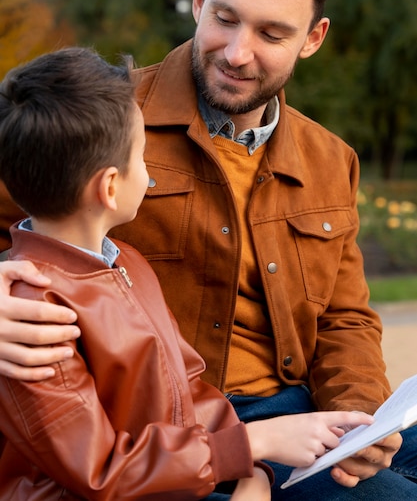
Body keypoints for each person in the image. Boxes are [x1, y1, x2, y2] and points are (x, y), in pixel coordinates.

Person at [0, 0, 417, 499]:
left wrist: (359, 420)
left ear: (313, 39)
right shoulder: (103, 121)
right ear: (199, 1)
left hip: (286, 413)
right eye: (224, 19)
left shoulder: (331, 159)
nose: (238, 53)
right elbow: (33, 221)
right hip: (178, 435)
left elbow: (344, 318)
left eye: (272, 35)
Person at [0, 47, 374, 500]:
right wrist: (256, 443)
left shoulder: (127, 263)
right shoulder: (36, 315)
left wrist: (250, 467)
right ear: (111, 186)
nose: (148, 170)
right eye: (143, 157)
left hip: (179, 475)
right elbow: (100, 471)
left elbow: (189, 387)